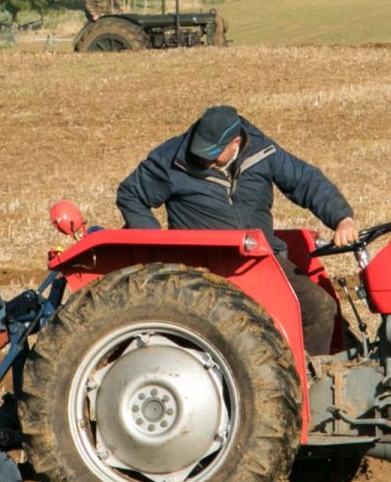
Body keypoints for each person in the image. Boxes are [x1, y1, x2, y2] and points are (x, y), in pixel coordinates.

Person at [117, 104, 358, 357]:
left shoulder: (262, 151)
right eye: (201, 150)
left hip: (259, 259)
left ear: (236, 142)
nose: (203, 159)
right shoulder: (171, 159)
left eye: (212, 153)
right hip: (203, 268)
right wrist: (159, 245)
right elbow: (130, 194)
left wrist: (343, 219)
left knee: (319, 308)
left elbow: (305, 181)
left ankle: (308, 381)